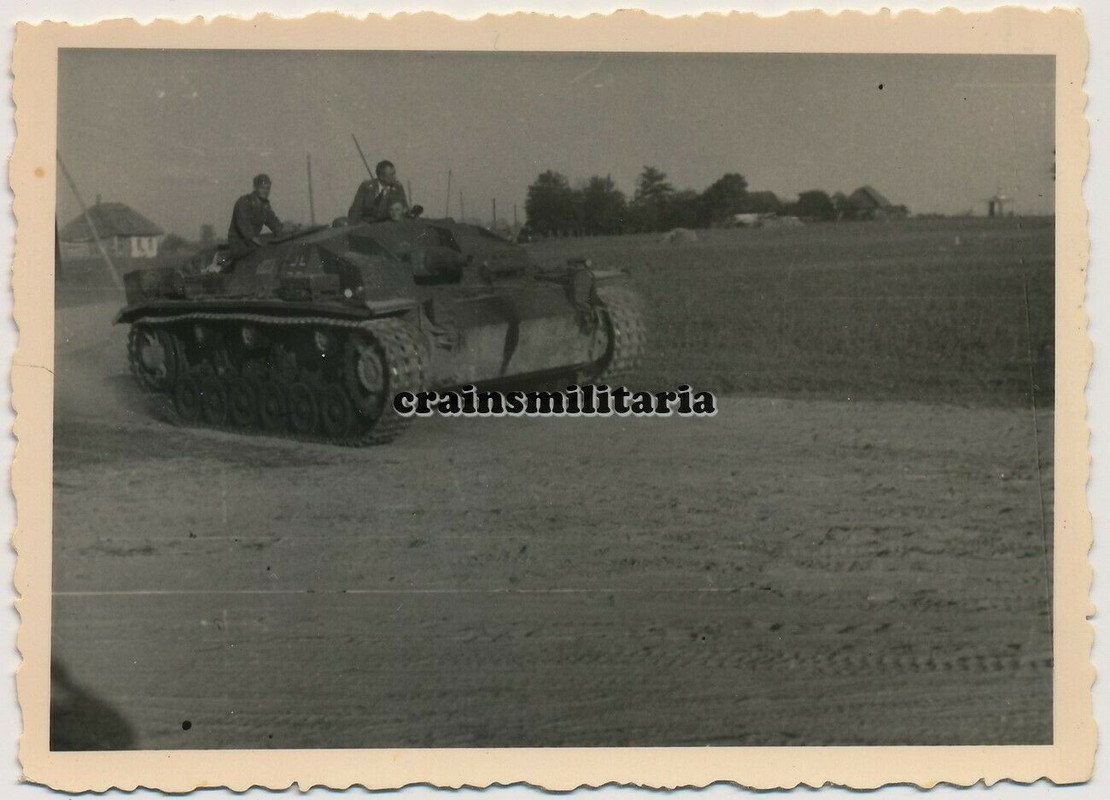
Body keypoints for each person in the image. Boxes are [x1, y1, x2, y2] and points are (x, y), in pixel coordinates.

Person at [228, 174, 283, 259]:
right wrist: (260, 243)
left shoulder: (265, 206)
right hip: (239, 244)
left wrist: (280, 233)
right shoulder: (244, 202)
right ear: (255, 188)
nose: (265, 191)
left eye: (268, 188)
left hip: (251, 242)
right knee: (266, 250)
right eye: (262, 188)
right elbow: (245, 229)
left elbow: (273, 222)